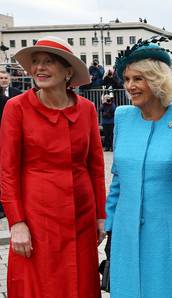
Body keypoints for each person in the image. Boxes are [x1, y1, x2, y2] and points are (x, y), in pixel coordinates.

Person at [1, 36, 106, 297]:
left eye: (48, 61)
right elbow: (7, 171)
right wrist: (17, 223)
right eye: (35, 62)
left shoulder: (87, 109)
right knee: (38, 286)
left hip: (81, 217)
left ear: (67, 70)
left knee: (80, 285)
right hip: (36, 217)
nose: (39, 68)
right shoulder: (16, 108)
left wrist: (101, 215)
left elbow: (95, 166)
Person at [105, 37, 172, 298]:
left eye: (138, 79)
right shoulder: (123, 117)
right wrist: (111, 229)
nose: (130, 86)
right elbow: (117, 180)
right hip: (126, 233)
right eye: (127, 79)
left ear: (156, 79)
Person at [0, 70, 22, 218]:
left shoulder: (17, 93)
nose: (3, 80)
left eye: (5, 77)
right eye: (0, 78)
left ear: (10, 78)